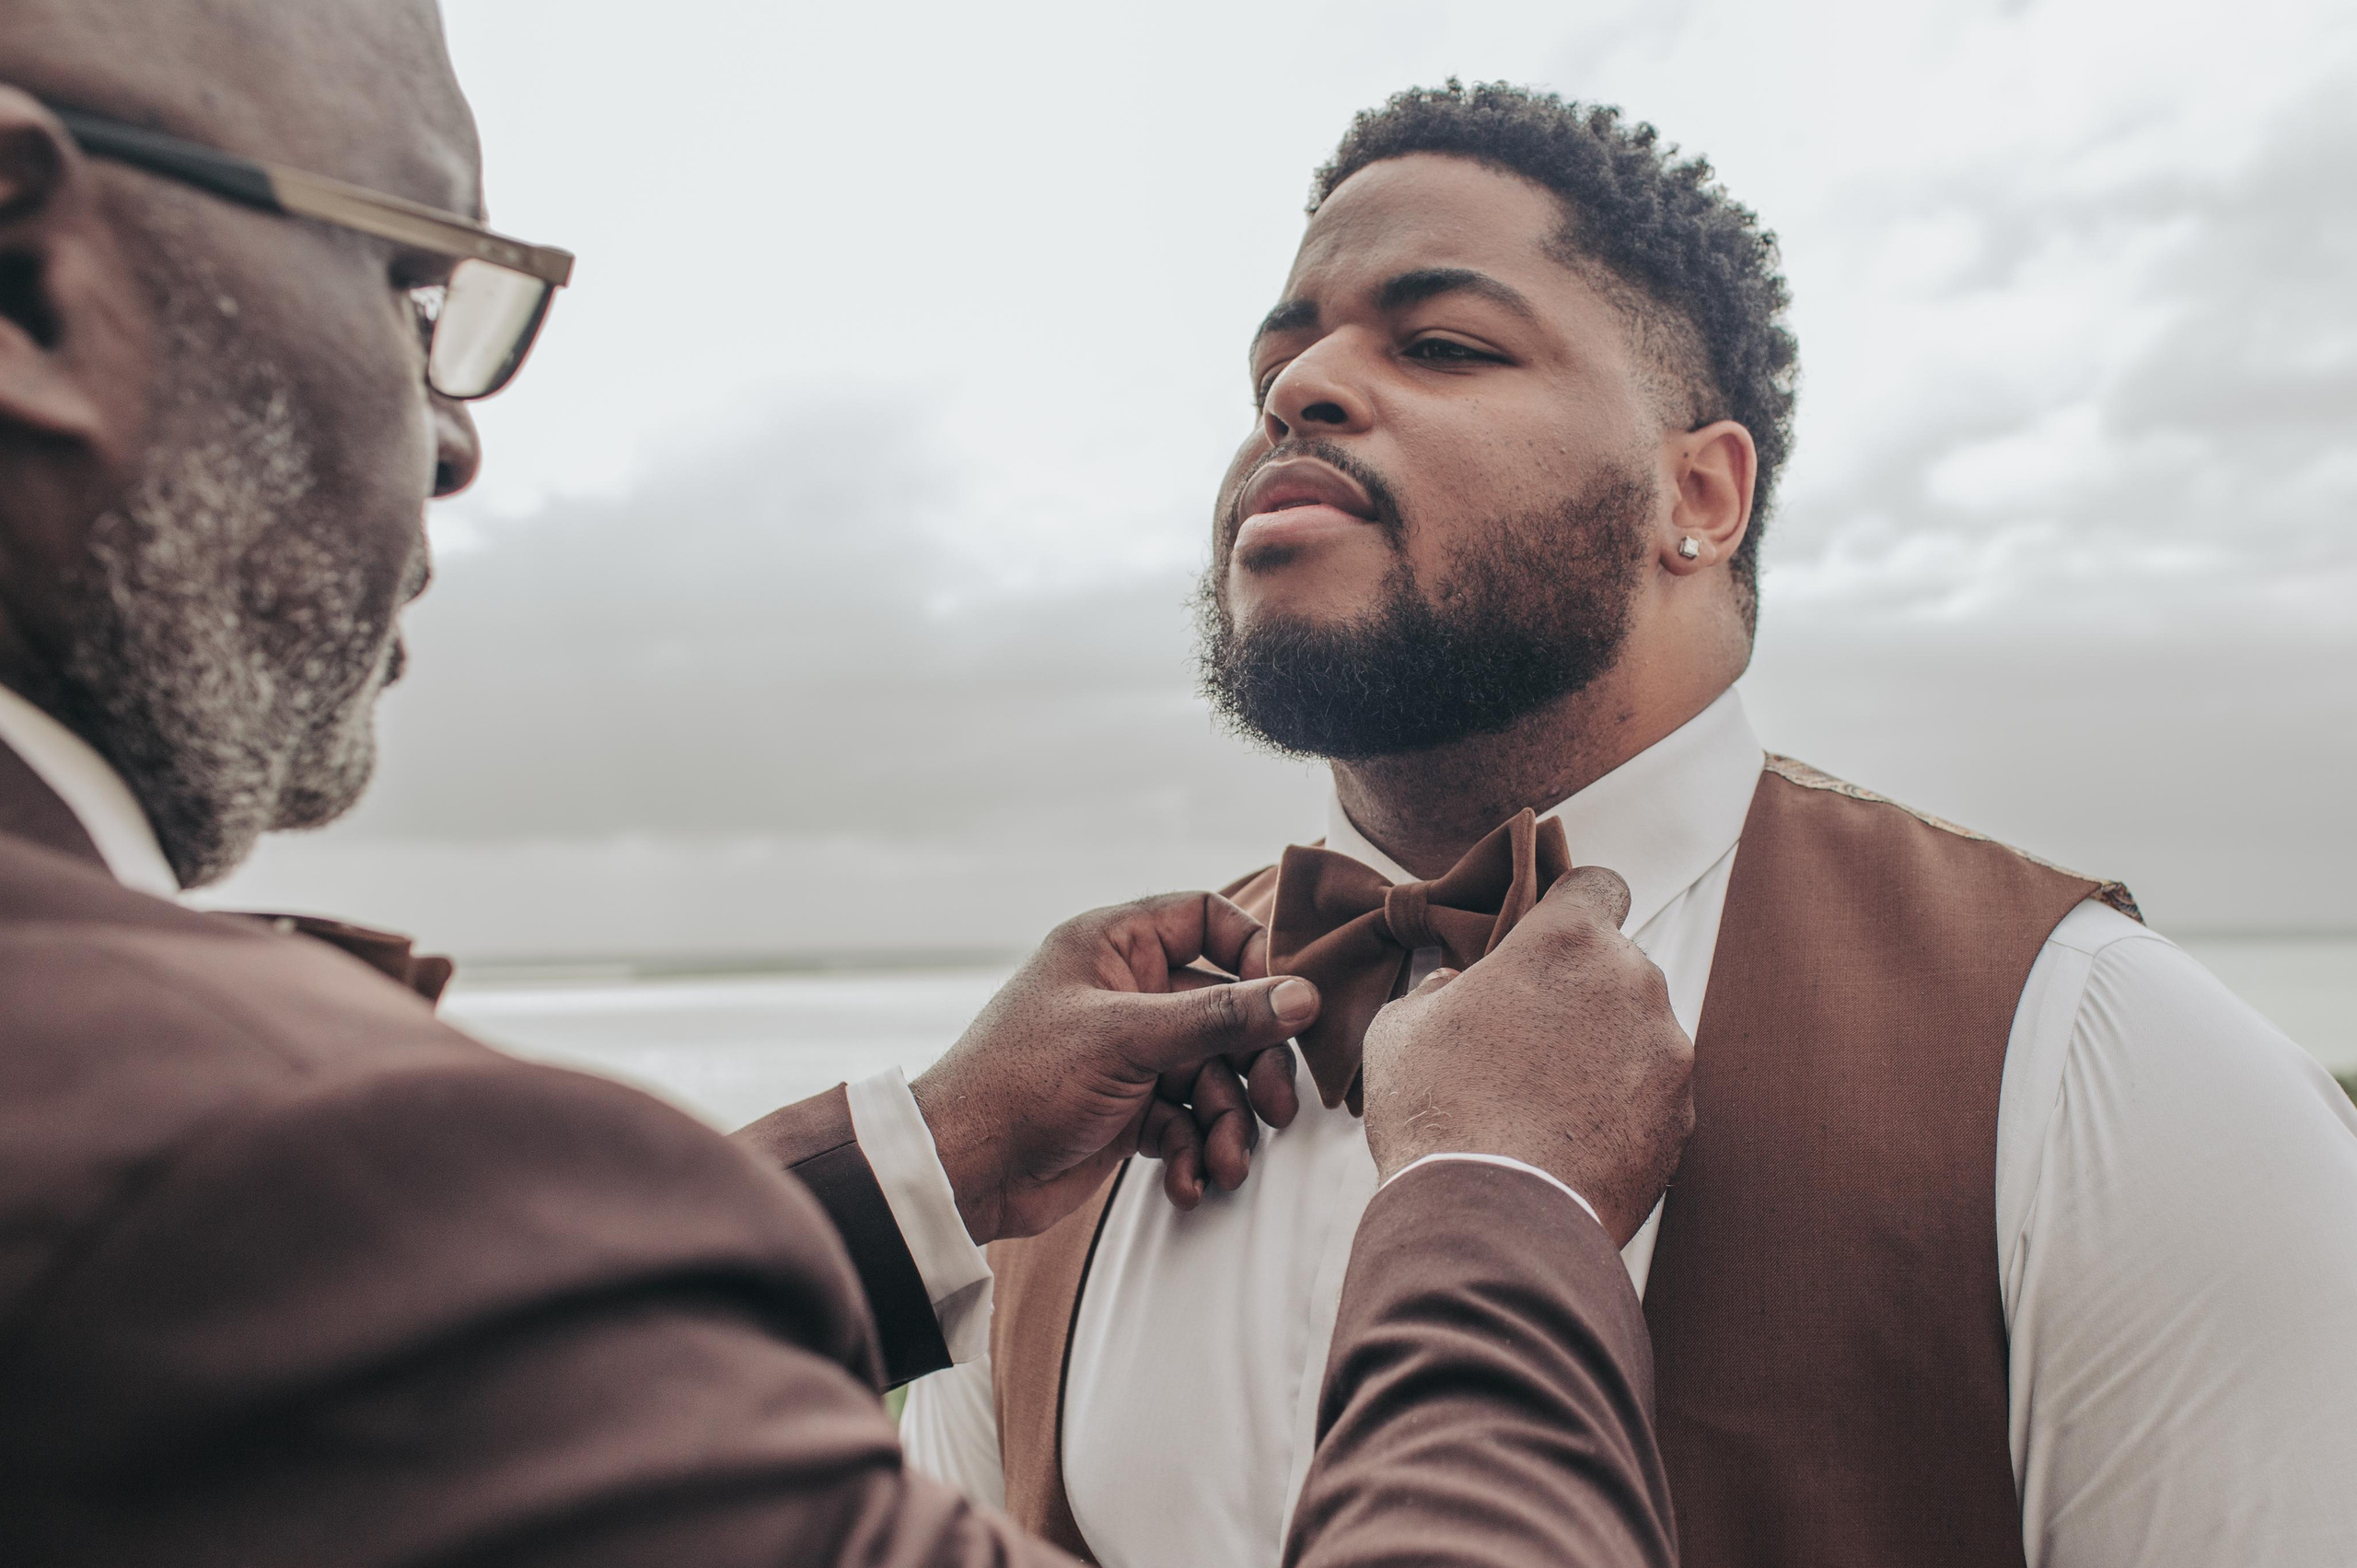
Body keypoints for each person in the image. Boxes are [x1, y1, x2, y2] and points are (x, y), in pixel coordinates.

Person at [0, 14, 1700, 1567]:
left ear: (1704, 491)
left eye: (1453, 345)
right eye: (412, 284)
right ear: (25, 281)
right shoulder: (240, 1161)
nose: (452, 434)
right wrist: (1507, 1204)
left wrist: (929, 1155)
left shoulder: (1971, 999)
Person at [904, 81, 2357, 1568]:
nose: (1301, 389)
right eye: (1276, 366)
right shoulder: (1069, 1122)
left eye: (1444, 345)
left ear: (1702, 495)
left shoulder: (2110, 1065)